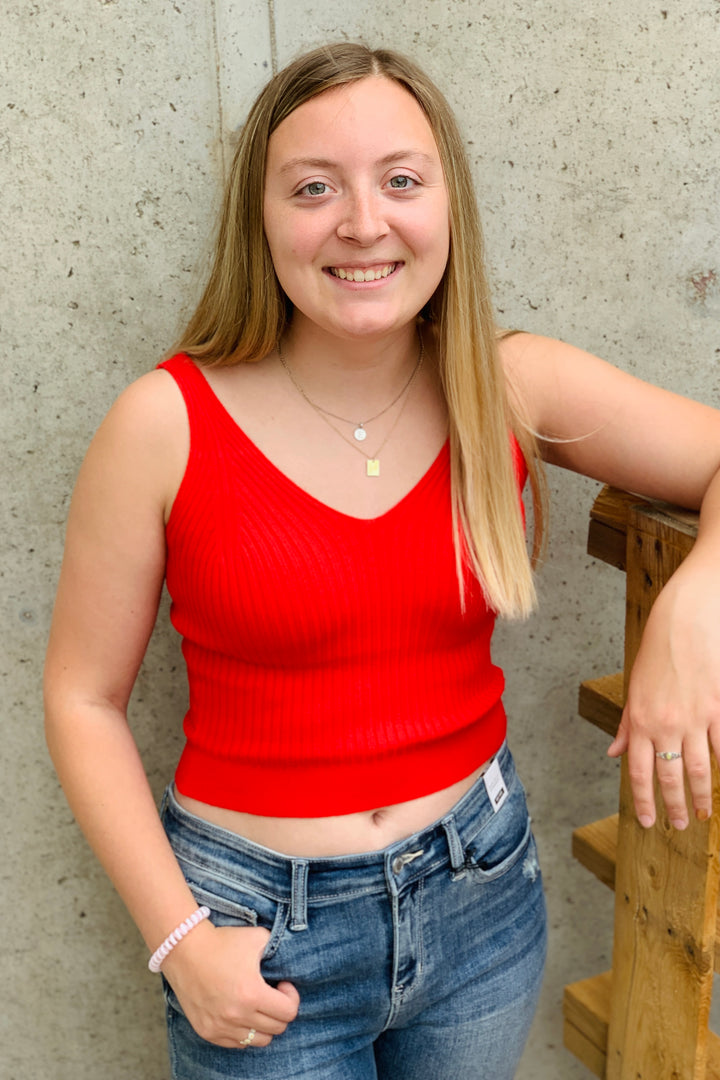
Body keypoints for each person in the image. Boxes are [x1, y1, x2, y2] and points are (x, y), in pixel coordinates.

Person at [44, 42, 720, 1080]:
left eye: (401, 180)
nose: (363, 222)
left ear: (447, 204)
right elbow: (83, 698)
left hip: (480, 899)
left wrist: (693, 614)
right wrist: (180, 943)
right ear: (260, 218)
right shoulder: (164, 422)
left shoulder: (507, 383)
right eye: (314, 188)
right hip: (256, 935)